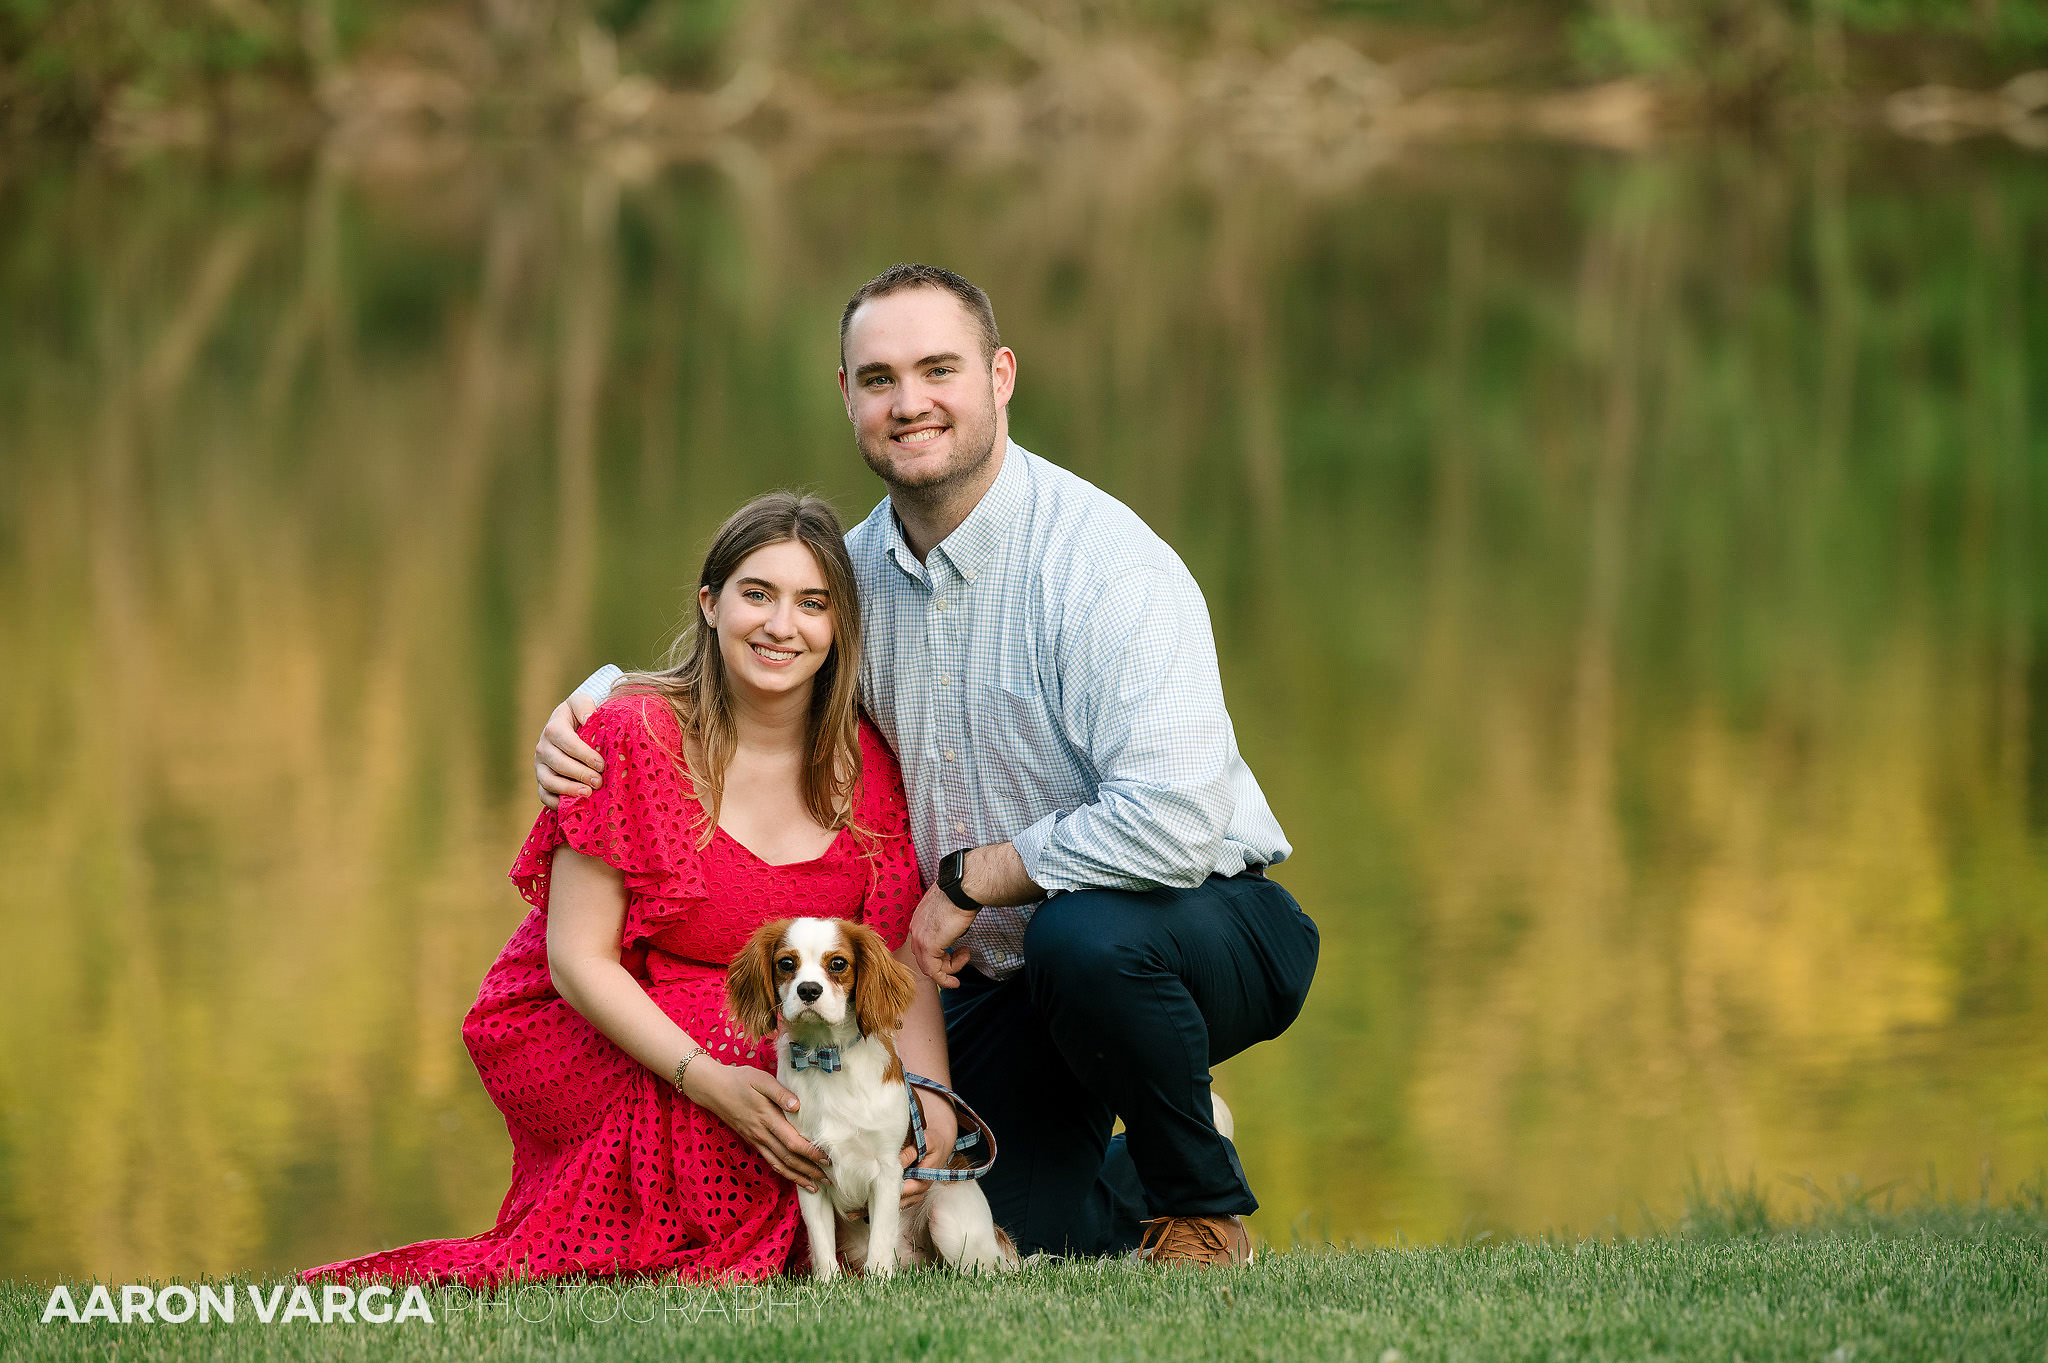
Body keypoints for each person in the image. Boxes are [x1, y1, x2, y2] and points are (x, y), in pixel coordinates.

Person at [537, 264, 1319, 1267]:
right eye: (878, 378)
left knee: (1086, 938)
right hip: (994, 978)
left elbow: (1173, 818)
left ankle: (1200, 1205)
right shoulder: (849, 583)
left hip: (1195, 926)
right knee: (974, 1223)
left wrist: (971, 877)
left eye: (936, 370)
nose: (908, 403)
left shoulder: (1105, 567)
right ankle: (1168, 1133)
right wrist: (592, 702)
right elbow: (742, 659)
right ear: (847, 397)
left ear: (998, 377)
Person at [304, 492, 948, 1287]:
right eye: (758, 594)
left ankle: (804, 1227)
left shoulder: (865, 767)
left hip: (769, 1021)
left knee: (806, 1057)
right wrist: (711, 1082)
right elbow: (577, 958)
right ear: (711, 603)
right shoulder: (632, 735)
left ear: (839, 628)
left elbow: (893, 964)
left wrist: (933, 1103)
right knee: (764, 1051)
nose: (783, 626)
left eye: (812, 604)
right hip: (598, 1021)